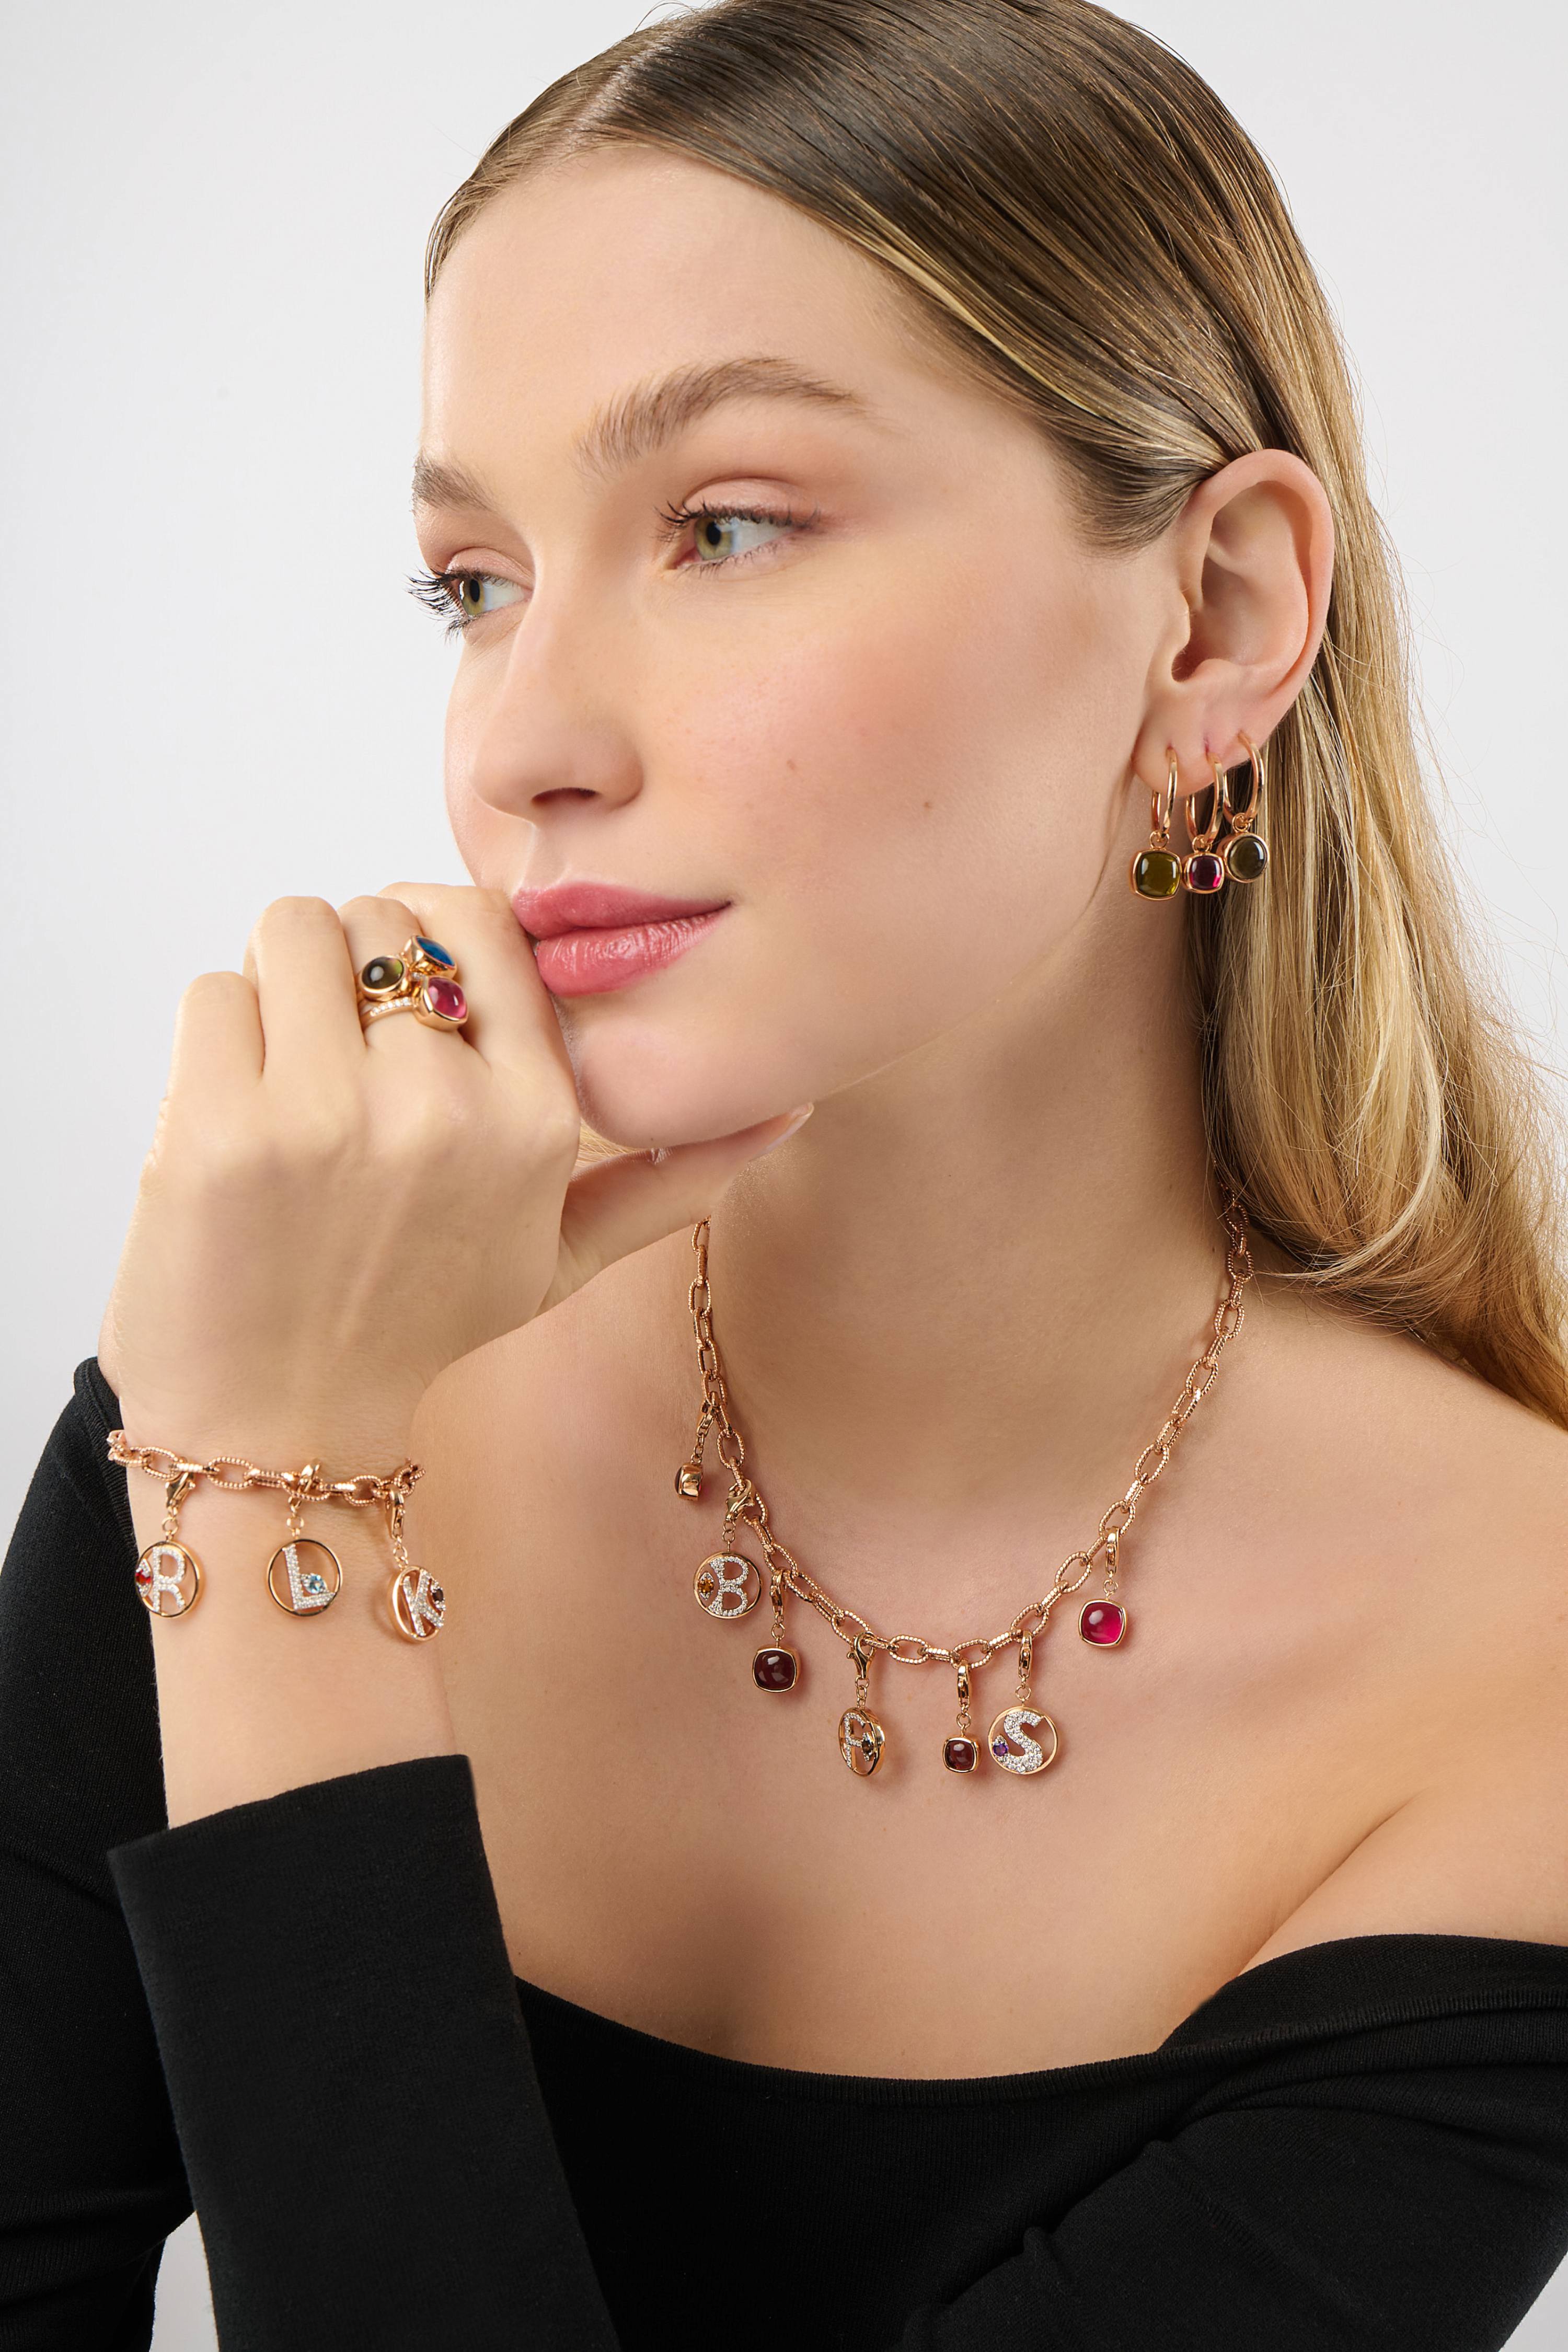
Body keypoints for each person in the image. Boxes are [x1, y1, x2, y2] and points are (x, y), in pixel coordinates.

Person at [6, 1, 1568, 2345]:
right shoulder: (259, 1367)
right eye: (474, 582)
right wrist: (254, 1467)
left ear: (1220, 617)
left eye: (726, 527)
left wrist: (279, 1525)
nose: (522, 739)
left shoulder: (1522, 1684)